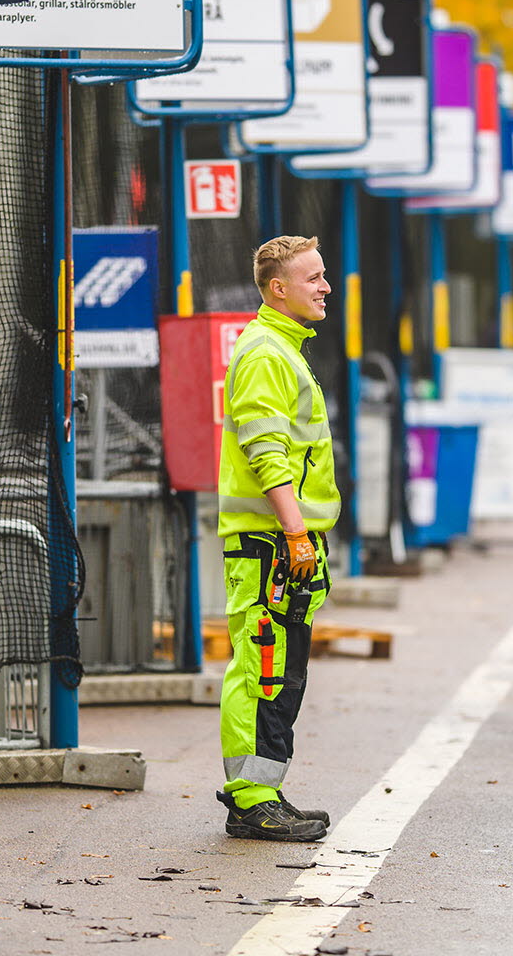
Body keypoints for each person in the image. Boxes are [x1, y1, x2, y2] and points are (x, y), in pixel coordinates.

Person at [214, 234, 340, 842]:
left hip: (280, 541)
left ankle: (263, 792)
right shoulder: (267, 352)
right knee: (264, 666)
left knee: (279, 669)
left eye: (324, 276)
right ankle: (252, 798)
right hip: (271, 541)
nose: (325, 287)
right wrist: (295, 531)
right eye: (312, 278)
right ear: (278, 288)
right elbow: (265, 450)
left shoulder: (281, 348)